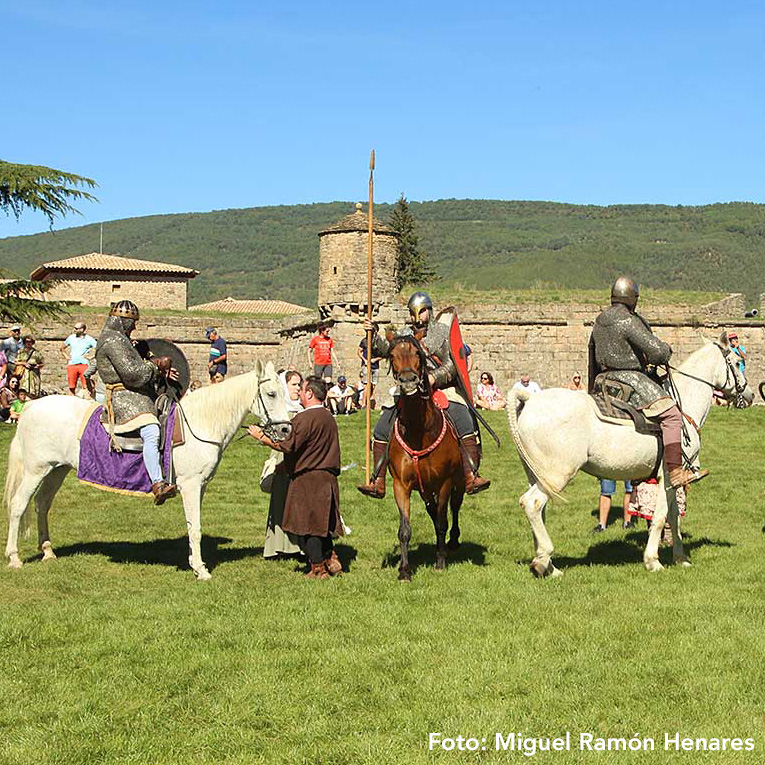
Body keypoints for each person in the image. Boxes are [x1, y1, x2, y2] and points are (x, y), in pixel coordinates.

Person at [358, 290, 491, 498]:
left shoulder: (441, 332)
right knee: (383, 425)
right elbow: (387, 350)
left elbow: (453, 364)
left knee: (463, 418)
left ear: (429, 311)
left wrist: (433, 378)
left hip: (441, 388)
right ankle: (379, 480)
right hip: (409, 389)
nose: (417, 317)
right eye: (413, 313)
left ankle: (471, 475)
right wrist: (373, 334)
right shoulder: (405, 334)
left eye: (420, 312)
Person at [589, 276, 707, 488]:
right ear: (633, 298)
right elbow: (657, 352)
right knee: (672, 415)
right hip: (629, 380)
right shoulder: (628, 320)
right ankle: (676, 470)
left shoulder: (600, 321)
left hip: (602, 382)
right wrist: (666, 350)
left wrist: (591, 388)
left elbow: (591, 356)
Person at [248, 376, 343, 579]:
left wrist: (261, 437)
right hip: (326, 478)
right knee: (322, 524)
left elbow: (287, 446)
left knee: (308, 526)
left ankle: (318, 568)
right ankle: (331, 559)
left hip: (308, 480)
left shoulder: (305, 418)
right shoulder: (328, 417)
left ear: (309, 393)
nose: (299, 392)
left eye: (302, 389)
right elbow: (309, 450)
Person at [95, 300, 179, 505]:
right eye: (132, 322)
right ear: (122, 321)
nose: (134, 327)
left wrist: (159, 370)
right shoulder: (113, 341)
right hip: (124, 398)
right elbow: (133, 375)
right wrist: (155, 365)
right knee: (151, 431)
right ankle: (158, 483)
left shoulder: (120, 339)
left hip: (136, 394)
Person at [263, 370, 304, 559]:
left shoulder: (303, 409)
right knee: (282, 501)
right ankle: (278, 546)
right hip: (282, 457)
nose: (298, 388)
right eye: (294, 384)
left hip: (301, 459)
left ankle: (299, 545)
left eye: (299, 384)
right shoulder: (281, 412)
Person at [61, 321, 97, 395]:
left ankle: (89, 401)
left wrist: (91, 357)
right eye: (74, 328)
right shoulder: (71, 337)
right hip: (72, 364)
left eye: (76, 328)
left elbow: (98, 349)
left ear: (82, 329)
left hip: (84, 364)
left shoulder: (89, 339)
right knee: (71, 387)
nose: (74, 330)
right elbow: (62, 348)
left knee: (86, 386)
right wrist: (66, 356)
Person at [357, 332, 382, 408]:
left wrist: (375, 359)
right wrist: (365, 360)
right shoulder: (364, 341)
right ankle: (363, 404)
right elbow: (359, 352)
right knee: (367, 385)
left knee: (373, 386)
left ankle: (368, 403)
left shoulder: (378, 342)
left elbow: (383, 355)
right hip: (366, 366)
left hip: (375, 366)